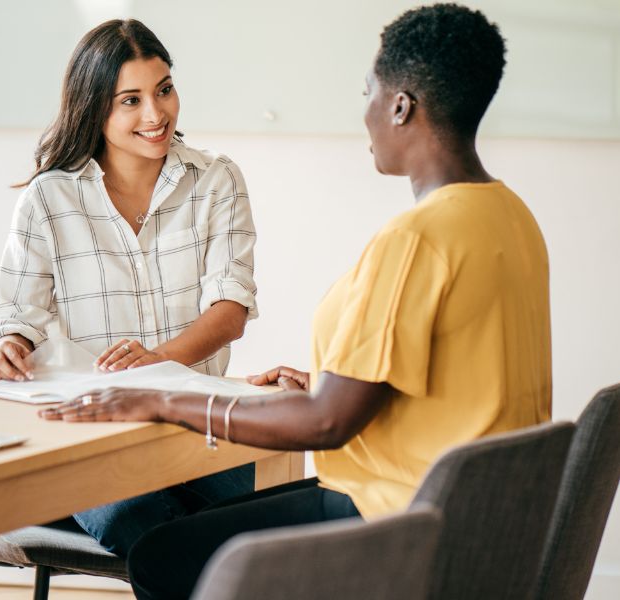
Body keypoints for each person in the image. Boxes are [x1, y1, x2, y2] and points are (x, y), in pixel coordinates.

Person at [40, 4, 553, 598]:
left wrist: (162, 399)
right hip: (482, 520)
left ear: (400, 106)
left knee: (162, 556)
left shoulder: (414, 241)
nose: (364, 112)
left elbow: (328, 424)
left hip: (398, 519)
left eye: (368, 92)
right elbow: (453, 384)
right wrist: (326, 384)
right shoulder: (510, 217)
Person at [0, 19, 258, 556]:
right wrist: (9, 345)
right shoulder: (48, 199)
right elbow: (15, 313)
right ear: (94, 108)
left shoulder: (216, 179)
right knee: (151, 527)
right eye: (130, 100)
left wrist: (155, 363)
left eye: (164, 90)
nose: (155, 114)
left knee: (259, 521)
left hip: (198, 435)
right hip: (91, 443)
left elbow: (230, 310)